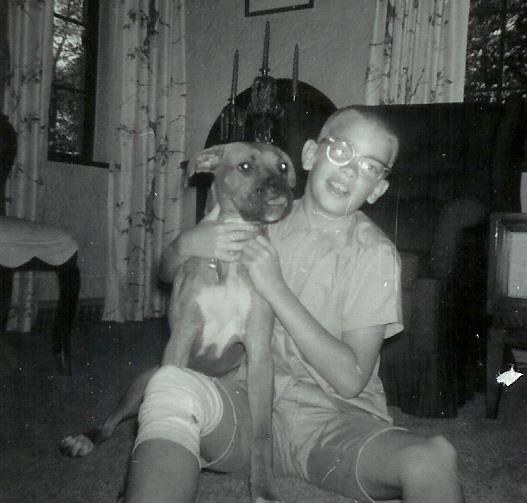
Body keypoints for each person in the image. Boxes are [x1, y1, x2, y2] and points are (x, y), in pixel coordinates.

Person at [124, 106, 465, 503]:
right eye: (341, 152)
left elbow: (351, 378)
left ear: (377, 189)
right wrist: (185, 245)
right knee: (168, 384)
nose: (351, 171)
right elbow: (169, 278)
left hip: (335, 423)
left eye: (370, 167)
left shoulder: (374, 255)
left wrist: (277, 289)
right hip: (247, 408)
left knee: (433, 457)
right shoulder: (259, 221)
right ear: (308, 155)